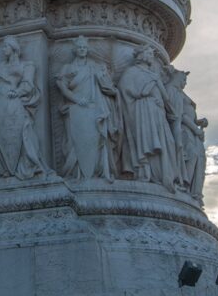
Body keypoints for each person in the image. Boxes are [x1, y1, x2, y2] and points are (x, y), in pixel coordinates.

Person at [0, 36, 50, 180]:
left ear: (14, 48)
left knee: (20, 132)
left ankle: (21, 167)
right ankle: (1, 170)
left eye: (5, 46)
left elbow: (28, 84)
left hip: (13, 100)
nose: (3, 49)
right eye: (2, 46)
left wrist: (17, 92)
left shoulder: (27, 65)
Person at [55, 37, 119, 181]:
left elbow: (106, 85)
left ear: (87, 49)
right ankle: (76, 173)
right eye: (79, 47)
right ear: (75, 50)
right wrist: (76, 99)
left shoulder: (94, 66)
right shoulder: (68, 68)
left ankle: (97, 172)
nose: (82, 50)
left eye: (84, 47)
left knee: (95, 141)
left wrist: (106, 75)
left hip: (93, 109)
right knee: (74, 142)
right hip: (75, 109)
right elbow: (62, 87)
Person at [117, 46, 178, 190]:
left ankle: (165, 176)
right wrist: (144, 92)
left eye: (152, 54)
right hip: (142, 112)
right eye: (149, 54)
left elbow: (165, 97)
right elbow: (125, 89)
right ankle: (146, 173)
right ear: (141, 55)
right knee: (147, 143)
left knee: (166, 141)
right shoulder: (131, 72)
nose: (151, 56)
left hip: (156, 113)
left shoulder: (153, 74)